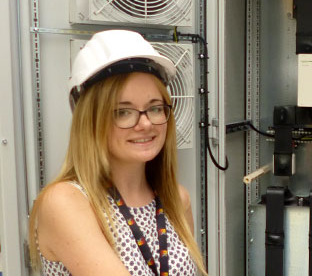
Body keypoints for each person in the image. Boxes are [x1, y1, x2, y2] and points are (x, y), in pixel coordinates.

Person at [28, 30, 206, 276]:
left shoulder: (177, 199)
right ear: (91, 120)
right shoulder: (66, 202)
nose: (145, 124)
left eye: (154, 108)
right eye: (123, 112)